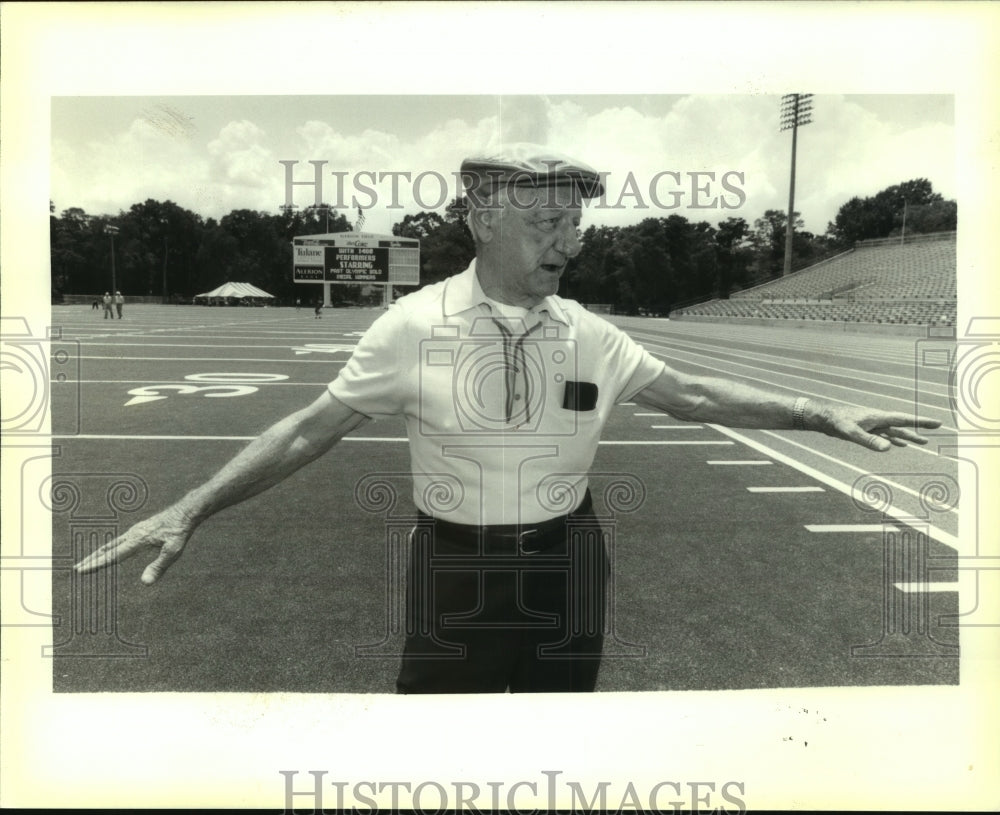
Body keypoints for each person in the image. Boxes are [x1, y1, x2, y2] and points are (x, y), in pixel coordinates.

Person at [75, 145, 941, 694]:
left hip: (570, 555)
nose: (567, 239)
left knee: (563, 741)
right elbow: (311, 428)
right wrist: (193, 504)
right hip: (455, 565)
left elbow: (697, 396)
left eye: (576, 221)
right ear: (483, 220)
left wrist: (821, 407)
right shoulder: (411, 326)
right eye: (544, 221)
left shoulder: (589, 332)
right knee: (436, 750)